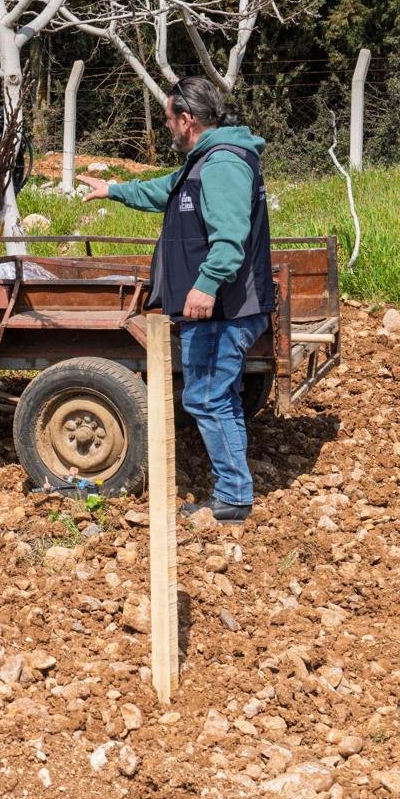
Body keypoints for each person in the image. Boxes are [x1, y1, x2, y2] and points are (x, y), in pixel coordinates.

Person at [76, 76, 273, 522]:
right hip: (223, 306)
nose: (166, 126)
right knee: (216, 396)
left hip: (225, 307)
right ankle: (234, 492)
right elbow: (165, 189)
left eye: (168, 118)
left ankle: (233, 498)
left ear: (187, 120)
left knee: (206, 397)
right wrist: (114, 189)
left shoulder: (222, 164)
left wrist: (206, 284)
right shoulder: (205, 160)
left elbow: (229, 238)